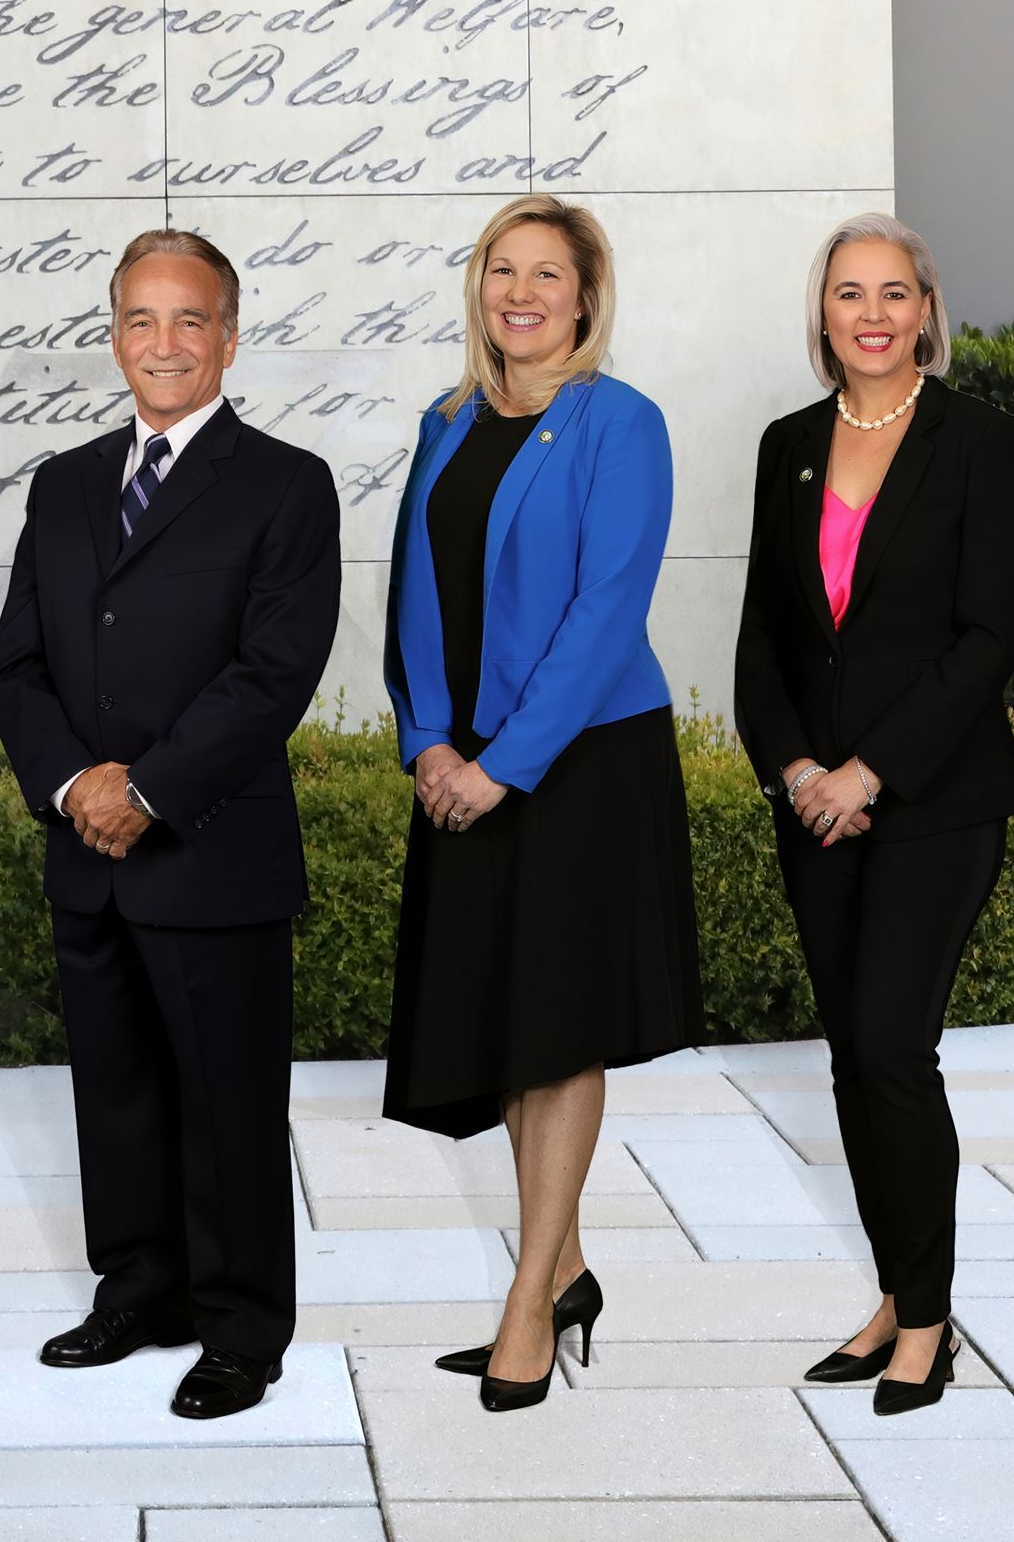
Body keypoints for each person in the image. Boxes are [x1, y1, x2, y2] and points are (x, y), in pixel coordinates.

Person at [0, 228, 340, 1422]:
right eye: (143, 318)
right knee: (117, 1089)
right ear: (116, 335)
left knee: (229, 1101)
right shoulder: (66, 480)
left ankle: (242, 1328)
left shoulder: (287, 483)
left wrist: (144, 789)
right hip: (86, 856)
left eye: (191, 319)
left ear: (230, 336)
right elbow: (16, 663)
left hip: (212, 852)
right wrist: (75, 783)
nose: (166, 341)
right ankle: (140, 1287)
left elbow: (272, 673)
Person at [381, 193, 703, 1414]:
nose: (521, 292)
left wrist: (500, 763)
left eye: (545, 274)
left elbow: (604, 611)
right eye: (501, 271)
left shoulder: (623, 423)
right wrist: (425, 741)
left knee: (558, 1029)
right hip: (458, 759)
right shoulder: (449, 418)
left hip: (581, 763)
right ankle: (566, 1268)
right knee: (511, 1028)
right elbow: (414, 590)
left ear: (584, 294)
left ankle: (527, 1300)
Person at [735, 212, 1014, 1416]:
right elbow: (763, 632)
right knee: (854, 1059)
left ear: (927, 309)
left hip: (936, 800)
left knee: (894, 1049)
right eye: (849, 291)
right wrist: (800, 768)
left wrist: (871, 771)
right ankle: (896, 1293)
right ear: (825, 313)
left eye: (894, 292)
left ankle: (928, 1324)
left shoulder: (979, 440)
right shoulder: (787, 442)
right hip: (815, 806)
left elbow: (989, 633)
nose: (872, 312)